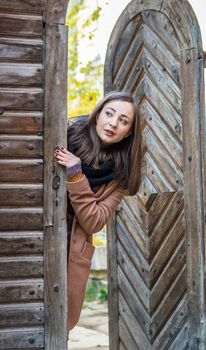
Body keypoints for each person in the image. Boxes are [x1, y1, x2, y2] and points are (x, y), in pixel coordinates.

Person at [54, 91, 142, 331]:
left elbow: (94, 222)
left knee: (57, 325)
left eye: (123, 120)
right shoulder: (64, 135)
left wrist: (76, 175)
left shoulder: (121, 175)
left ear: (130, 131)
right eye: (109, 113)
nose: (113, 123)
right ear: (97, 114)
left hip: (71, 249)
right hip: (40, 236)